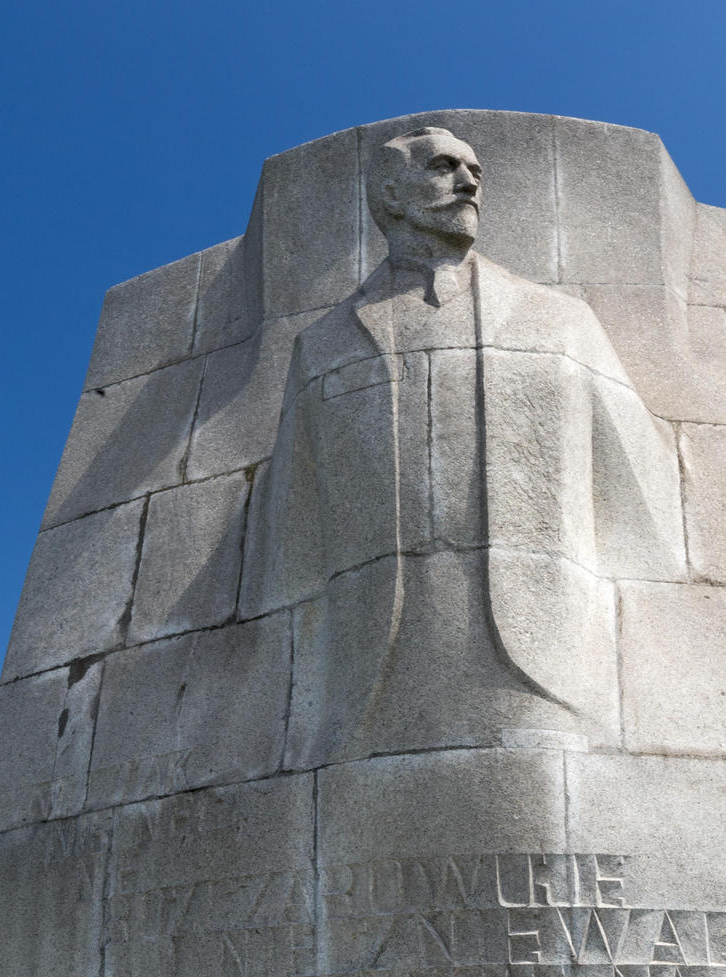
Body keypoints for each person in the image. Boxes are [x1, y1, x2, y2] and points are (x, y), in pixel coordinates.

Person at [245, 127, 681, 764]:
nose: (469, 182)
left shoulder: (557, 320)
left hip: (540, 658)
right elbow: (293, 529)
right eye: (444, 168)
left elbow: (644, 493)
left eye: (474, 170)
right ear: (390, 196)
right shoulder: (324, 344)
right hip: (367, 670)